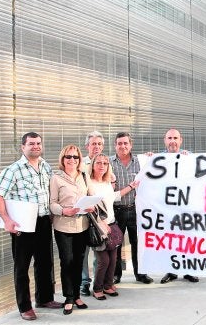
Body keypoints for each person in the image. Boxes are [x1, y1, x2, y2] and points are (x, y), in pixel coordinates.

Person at [0, 132, 63, 321]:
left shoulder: (46, 167)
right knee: (22, 267)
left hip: (43, 222)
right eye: (31, 143)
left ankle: (45, 298)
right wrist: (7, 220)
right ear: (23, 147)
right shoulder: (13, 170)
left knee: (45, 263)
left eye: (38, 143)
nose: (36, 146)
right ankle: (25, 307)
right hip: (22, 225)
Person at [88, 153, 139, 300]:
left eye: (105, 163)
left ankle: (108, 285)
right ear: (93, 165)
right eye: (98, 163)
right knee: (103, 260)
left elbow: (115, 196)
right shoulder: (89, 183)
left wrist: (131, 186)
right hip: (98, 226)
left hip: (112, 223)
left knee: (113, 258)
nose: (102, 166)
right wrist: (102, 223)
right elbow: (91, 205)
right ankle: (97, 288)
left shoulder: (106, 183)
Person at [49, 145, 92, 315]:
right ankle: (68, 297)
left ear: (79, 160)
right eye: (68, 157)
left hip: (82, 226)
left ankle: (76, 295)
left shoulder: (84, 176)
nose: (72, 160)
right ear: (63, 159)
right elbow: (52, 203)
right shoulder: (56, 178)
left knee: (79, 262)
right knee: (67, 262)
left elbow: (91, 196)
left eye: (75, 157)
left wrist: (91, 206)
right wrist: (63, 210)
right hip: (63, 226)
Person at [110, 132, 153, 284]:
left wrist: (151, 158)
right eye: (119, 143)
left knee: (138, 243)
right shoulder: (108, 163)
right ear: (115, 145)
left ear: (131, 144)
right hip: (117, 210)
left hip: (136, 209)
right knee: (116, 243)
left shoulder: (141, 161)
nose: (123, 146)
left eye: (125, 143)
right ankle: (116, 275)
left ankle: (141, 274)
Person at [159, 128, 199, 284]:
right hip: (166, 208)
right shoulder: (158, 159)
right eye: (169, 138)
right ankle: (171, 270)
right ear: (165, 140)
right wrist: (148, 160)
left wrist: (189, 160)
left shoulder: (189, 157)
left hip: (185, 206)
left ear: (181, 140)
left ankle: (188, 270)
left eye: (175, 138)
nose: (172, 141)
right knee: (170, 240)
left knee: (187, 239)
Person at [80, 131, 116, 297]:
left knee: (99, 256)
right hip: (84, 217)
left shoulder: (105, 164)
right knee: (83, 253)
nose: (97, 147)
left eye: (100, 144)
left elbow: (110, 189)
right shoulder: (79, 164)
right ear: (87, 146)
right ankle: (84, 283)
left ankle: (98, 283)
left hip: (102, 219)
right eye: (94, 144)